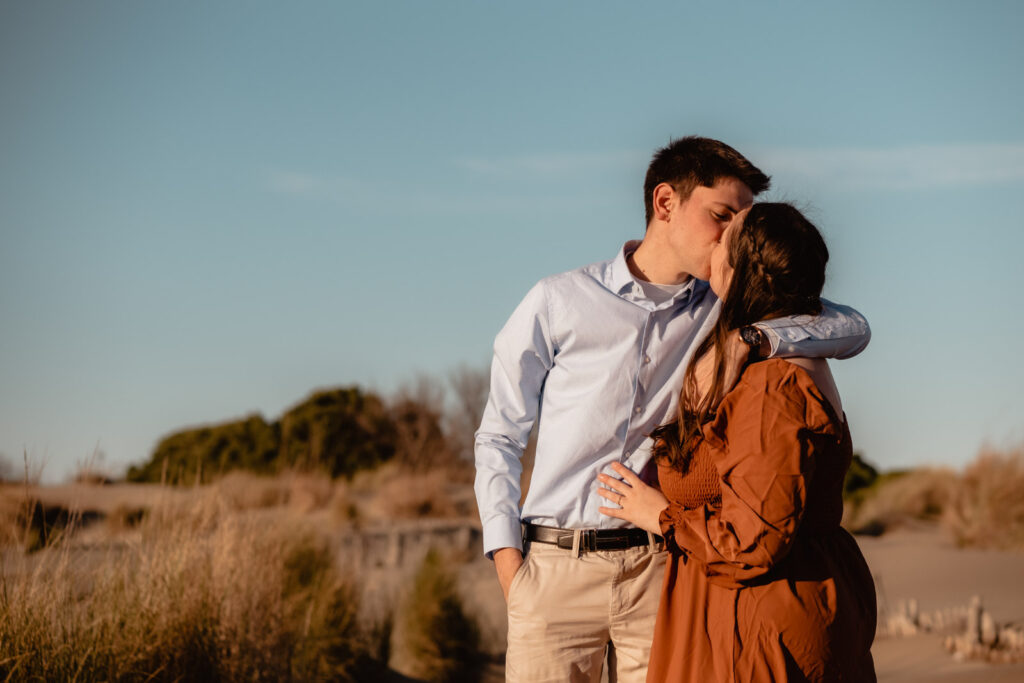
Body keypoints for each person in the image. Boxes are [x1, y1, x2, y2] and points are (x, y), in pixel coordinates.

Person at [474, 137, 871, 683]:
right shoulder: (558, 300)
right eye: (722, 215)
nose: (734, 235)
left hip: (663, 567)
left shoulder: (730, 307)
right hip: (555, 569)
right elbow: (499, 434)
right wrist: (507, 561)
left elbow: (853, 327)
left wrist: (751, 339)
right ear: (666, 203)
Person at [598, 202, 877, 682]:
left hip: (756, 629)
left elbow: (751, 542)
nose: (715, 242)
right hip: (759, 611)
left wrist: (658, 515)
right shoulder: (783, 351)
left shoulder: (772, 386)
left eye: (727, 239)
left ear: (741, 268)